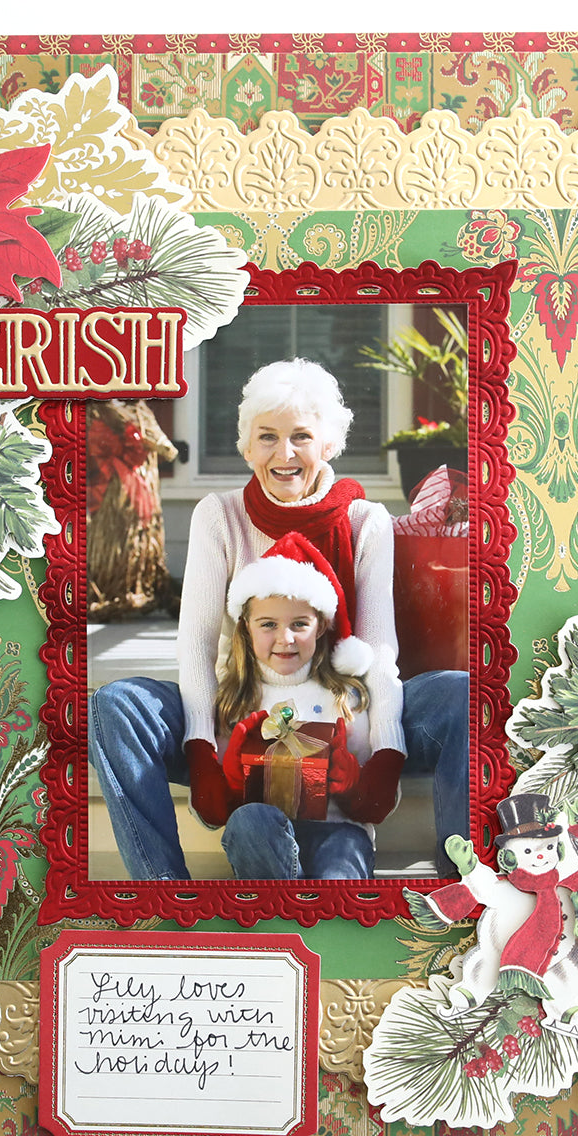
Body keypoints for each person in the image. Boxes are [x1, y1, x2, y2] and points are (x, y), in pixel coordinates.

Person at [88, 357, 469, 880]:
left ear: (329, 444)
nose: (284, 454)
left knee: (459, 694)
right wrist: (201, 748)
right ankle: (163, 893)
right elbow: (195, 648)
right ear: (247, 447)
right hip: (237, 709)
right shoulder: (218, 515)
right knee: (117, 704)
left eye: (301, 437)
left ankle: (465, 883)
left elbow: (380, 652)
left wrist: (385, 755)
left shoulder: (365, 521)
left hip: (345, 719)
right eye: (267, 437)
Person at [208, 531, 377, 879]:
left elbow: (371, 804)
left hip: (338, 833)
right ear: (246, 628)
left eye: (299, 624)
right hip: (266, 836)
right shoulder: (233, 702)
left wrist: (349, 779)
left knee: (341, 865)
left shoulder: (345, 698)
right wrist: (234, 774)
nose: (285, 639)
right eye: (268, 624)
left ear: (321, 627)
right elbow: (220, 808)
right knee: (249, 821)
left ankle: (326, 922)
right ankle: (281, 913)